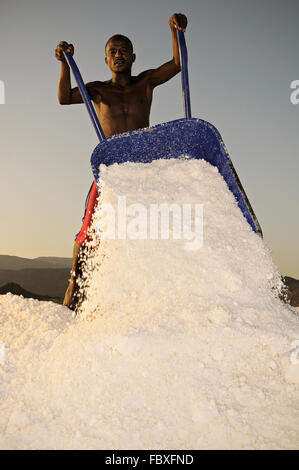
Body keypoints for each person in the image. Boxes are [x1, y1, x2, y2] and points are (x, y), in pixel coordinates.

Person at [55, 13, 188, 310]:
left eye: (123, 50)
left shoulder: (145, 83)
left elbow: (178, 65)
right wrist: (64, 63)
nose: (118, 55)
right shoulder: (99, 90)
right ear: (106, 60)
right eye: (112, 51)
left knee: (154, 229)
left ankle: (159, 295)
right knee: (89, 231)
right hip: (111, 170)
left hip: (144, 167)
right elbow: (64, 97)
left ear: (133, 56)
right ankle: (74, 292)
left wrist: (175, 30)